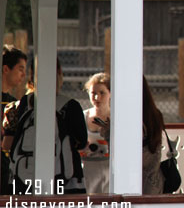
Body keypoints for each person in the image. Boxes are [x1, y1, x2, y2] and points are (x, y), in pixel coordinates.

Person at [8, 58, 88, 194]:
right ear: (59, 73)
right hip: (64, 181)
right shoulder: (71, 106)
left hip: (25, 179)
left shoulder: (25, 103)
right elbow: (81, 142)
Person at [95, 76, 165, 194]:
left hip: (134, 184)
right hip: (154, 180)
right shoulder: (155, 114)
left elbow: (123, 151)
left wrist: (108, 132)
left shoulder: (131, 116)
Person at [1, 45, 26, 194]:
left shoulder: (14, 104)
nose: (23, 75)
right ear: (6, 69)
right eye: (20, 69)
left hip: (7, 171)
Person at [81, 72, 111, 193]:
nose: (97, 97)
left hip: (109, 171)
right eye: (93, 93)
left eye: (102, 93)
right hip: (88, 171)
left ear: (110, 93)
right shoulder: (83, 116)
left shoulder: (117, 117)